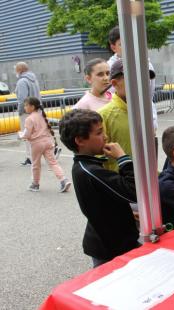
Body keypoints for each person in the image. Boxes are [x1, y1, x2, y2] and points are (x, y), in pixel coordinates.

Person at [59, 109, 139, 268]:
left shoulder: (88, 165)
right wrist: (123, 158)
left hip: (113, 240)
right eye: (99, 132)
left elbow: (103, 200)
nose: (106, 137)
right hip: (110, 248)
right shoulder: (90, 171)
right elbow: (133, 191)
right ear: (80, 140)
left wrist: (124, 212)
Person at [107, 26, 158, 130]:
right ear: (113, 47)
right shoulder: (109, 67)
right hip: (121, 121)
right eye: (122, 44)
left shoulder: (146, 64)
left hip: (146, 120)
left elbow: (149, 92)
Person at [18, 97, 71, 192]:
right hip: (47, 141)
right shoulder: (42, 115)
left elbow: (27, 134)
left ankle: (35, 184)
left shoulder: (29, 119)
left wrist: (21, 135)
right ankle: (63, 180)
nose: (24, 107)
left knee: (35, 164)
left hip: (36, 144)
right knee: (53, 163)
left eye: (26, 105)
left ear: (32, 107)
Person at [97, 59, 132, 172]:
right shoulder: (103, 115)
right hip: (121, 184)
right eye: (133, 78)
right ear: (114, 83)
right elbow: (98, 159)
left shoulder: (145, 111)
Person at [15, 62, 41, 166]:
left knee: (27, 135)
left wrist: (21, 111)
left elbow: (22, 99)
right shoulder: (34, 79)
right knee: (37, 134)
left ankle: (30, 158)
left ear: (19, 70)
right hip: (36, 110)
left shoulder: (22, 81)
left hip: (27, 112)